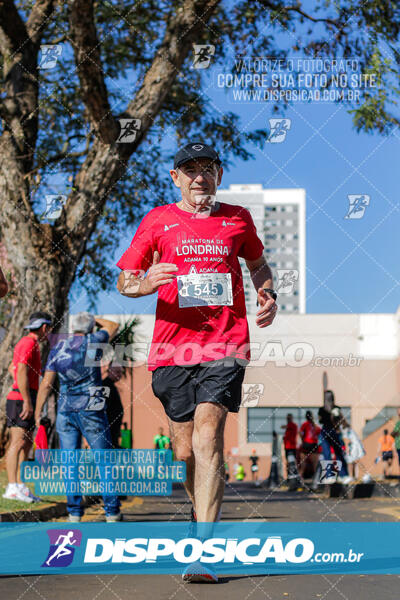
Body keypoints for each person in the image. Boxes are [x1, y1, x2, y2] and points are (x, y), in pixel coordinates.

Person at [117, 141, 277, 583]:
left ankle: (203, 549)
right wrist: (145, 284)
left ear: (219, 175)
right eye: (190, 169)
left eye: (207, 168)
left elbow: (259, 265)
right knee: (185, 449)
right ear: (176, 178)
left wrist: (268, 293)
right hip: (171, 349)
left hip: (225, 343)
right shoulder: (158, 221)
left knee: (209, 437)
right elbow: (125, 281)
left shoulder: (237, 218)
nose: (199, 176)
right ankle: (198, 514)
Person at [35, 312, 121, 522]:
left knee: (70, 461)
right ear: (91, 328)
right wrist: (94, 318)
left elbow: (46, 383)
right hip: (92, 405)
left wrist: (38, 412)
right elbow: (113, 325)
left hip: (66, 408)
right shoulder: (94, 341)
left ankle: (74, 512)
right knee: (103, 459)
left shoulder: (58, 348)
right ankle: (111, 512)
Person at [3, 312, 52, 502]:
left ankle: (20, 485)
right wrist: (26, 399)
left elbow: (13, 367)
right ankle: (12, 486)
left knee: (25, 443)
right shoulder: (28, 343)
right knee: (16, 443)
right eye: (49, 328)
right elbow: (20, 368)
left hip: (27, 396)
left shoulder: (33, 345)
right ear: (44, 327)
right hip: (20, 399)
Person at [318, 404, 351, 484]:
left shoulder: (323, 409)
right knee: (337, 453)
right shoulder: (336, 408)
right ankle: (342, 475)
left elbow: (320, 420)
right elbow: (341, 418)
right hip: (333, 430)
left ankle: (331, 476)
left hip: (328, 429)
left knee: (328, 453)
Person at [102, 363, 124, 449]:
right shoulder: (104, 385)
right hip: (107, 432)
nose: (120, 375)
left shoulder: (111, 386)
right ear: (110, 371)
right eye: (117, 372)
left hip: (113, 432)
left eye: (121, 372)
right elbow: (99, 409)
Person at [299, 411, 321, 479]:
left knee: (303, 464)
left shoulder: (305, 424)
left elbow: (300, 432)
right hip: (313, 445)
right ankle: (316, 481)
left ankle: (300, 479)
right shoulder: (315, 425)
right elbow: (319, 433)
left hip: (306, 444)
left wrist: (303, 440)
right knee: (315, 465)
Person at [390, 408, 400, 474]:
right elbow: (392, 434)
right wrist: (395, 433)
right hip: (398, 446)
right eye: (398, 413)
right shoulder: (398, 423)